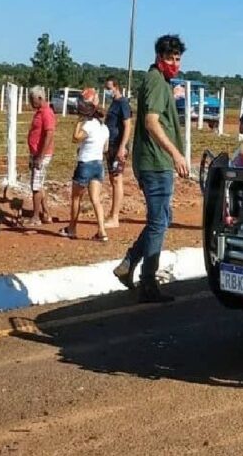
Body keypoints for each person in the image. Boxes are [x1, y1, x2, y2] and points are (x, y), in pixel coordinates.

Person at [112, 34, 189, 303]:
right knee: (159, 223)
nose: (174, 63)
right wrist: (176, 154)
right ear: (159, 57)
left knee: (162, 219)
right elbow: (152, 122)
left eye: (178, 58)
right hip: (156, 163)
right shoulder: (157, 81)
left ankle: (129, 263)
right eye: (170, 58)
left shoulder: (158, 81)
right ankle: (147, 281)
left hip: (151, 162)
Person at [61, 89, 109, 241]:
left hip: (85, 164)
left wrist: (78, 122)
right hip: (98, 164)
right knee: (96, 199)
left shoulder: (88, 125)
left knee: (76, 198)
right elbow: (105, 148)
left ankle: (72, 228)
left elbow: (75, 138)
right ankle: (102, 231)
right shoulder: (104, 128)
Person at [103, 76, 132, 228]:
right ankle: (112, 214)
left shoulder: (123, 104)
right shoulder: (114, 104)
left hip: (118, 146)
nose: (108, 91)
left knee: (117, 179)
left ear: (116, 87)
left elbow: (127, 126)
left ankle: (115, 217)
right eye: (106, 88)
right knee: (113, 179)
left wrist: (123, 146)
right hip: (111, 144)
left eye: (110, 88)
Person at [26, 86, 56, 226]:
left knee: (36, 186)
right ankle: (46, 213)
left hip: (41, 155)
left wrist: (40, 156)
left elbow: (49, 134)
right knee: (39, 183)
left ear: (39, 98)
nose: (30, 102)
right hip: (36, 154)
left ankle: (36, 217)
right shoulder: (39, 112)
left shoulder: (46, 113)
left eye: (32, 99)